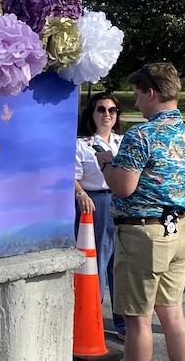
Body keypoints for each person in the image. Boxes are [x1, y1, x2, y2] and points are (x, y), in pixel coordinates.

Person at [96, 62, 185, 361]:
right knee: (173, 315)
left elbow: (123, 187)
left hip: (144, 235)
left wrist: (106, 162)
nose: (136, 102)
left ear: (151, 93)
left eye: (137, 94)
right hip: (178, 229)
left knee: (138, 321)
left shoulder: (141, 134)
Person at [74, 92, 126, 340]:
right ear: (91, 113)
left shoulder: (123, 141)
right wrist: (81, 194)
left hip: (122, 202)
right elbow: (72, 175)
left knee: (121, 265)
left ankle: (123, 322)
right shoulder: (82, 143)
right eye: (101, 109)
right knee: (99, 262)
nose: (107, 115)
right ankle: (92, 321)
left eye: (112, 110)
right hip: (96, 203)